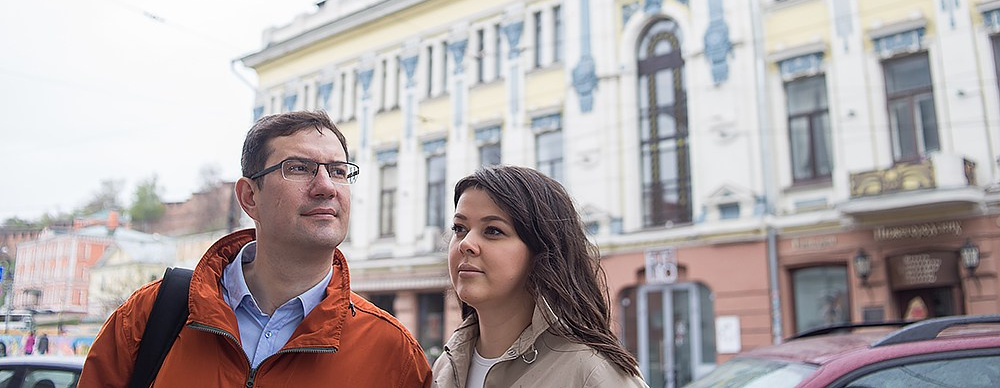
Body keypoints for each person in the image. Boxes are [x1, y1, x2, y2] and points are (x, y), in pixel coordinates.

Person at [80, 110, 431, 387]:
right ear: (250, 197)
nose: (326, 186)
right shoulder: (151, 316)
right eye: (299, 168)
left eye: (338, 171)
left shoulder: (392, 352)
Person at [433, 166, 648, 387]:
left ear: (543, 251)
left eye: (493, 230)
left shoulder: (591, 372)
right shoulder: (444, 368)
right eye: (460, 228)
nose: (466, 243)